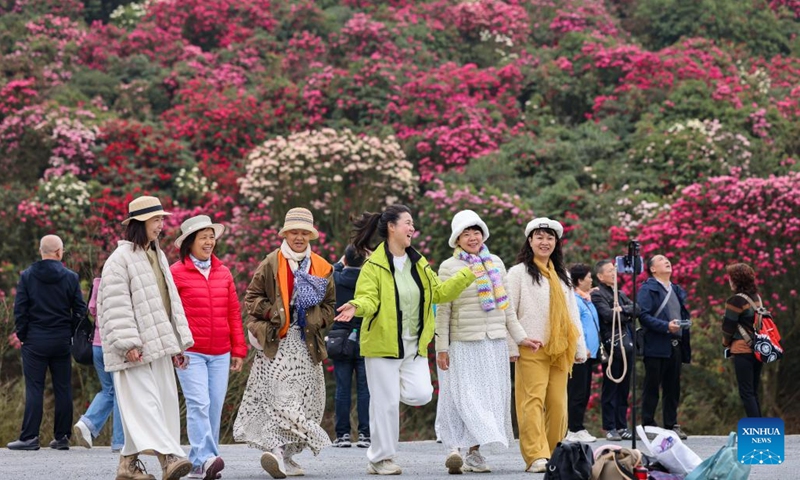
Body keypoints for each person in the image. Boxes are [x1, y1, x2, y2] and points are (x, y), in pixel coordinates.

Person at [334, 204, 478, 476]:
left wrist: (466, 275)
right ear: (391, 227)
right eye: (408, 223)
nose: (412, 228)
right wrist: (356, 305)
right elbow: (369, 298)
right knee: (385, 404)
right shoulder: (374, 265)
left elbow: (439, 293)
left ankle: (383, 396)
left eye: (412, 224)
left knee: (421, 393)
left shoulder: (418, 262)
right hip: (382, 344)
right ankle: (380, 459)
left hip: (414, 345)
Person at [434, 210, 540, 474]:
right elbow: (443, 309)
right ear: (456, 239)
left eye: (476, 232)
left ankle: (474, 454)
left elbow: (506, 309)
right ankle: (454, 449)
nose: (472, 237)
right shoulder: (449, 267)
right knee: (462, 397)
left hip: (493, 343)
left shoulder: (495, 263)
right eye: (466, 233)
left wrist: (520, 337)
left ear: (483, 234)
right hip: (463, 342)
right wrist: (442, 348)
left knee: (488, 398)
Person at [97, 195, 194, 480]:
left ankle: (127, 466)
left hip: (161, 346)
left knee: (162, 403)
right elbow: (115, 306)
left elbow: (170, 301)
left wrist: (177, 343)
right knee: (144, 404)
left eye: (162, 219)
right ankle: (169, 458)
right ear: (140, 223)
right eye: (156, 220)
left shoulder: (158, 254)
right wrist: (128, 344)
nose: (161, 225)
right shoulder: (119, 259)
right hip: (133, 349)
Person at [233, 207, 335, 479]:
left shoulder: (322, 267)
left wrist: (314, 317)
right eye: (294, 232)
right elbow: (252, 297)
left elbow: (330, 306)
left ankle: (288, 456)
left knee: (306, 401)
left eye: (304, 233)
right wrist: (274, 313)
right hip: (277, 340)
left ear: (311, 235)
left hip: (307, 341)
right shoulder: (271, 262)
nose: (299, 237)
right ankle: (276, 451)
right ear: (286, 234)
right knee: (279, 397)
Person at [505, 217, 587, 473]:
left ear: (556, 242)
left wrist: (579, 347)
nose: (545, 242)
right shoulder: (518, 273)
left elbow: (573, 314)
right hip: (531, 347)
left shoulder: (563, 276)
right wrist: (514, 344)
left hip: (560, 349)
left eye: (550, 237)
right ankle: (535, 456)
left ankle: (555, 455)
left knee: (558, 404)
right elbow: (507, 311)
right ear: (529, 241)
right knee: (532, 401)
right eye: (539, 237)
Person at [170, 215, 247, 480]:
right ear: (189, 242)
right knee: (198, 404)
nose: (209, 241)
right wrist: (174, 347)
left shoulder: (223, 272)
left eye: (212, 236)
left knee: (213, 406)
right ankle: (206, 460)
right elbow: (169, 314)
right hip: (189, 352)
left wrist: (238, 349)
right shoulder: (175, 272)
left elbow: (233, 313)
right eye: (203, 237)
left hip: (220, 353)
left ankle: (198, 464)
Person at [8, 235, 86, 451]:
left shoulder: (27, 276)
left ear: (41, 251)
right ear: (59, 252)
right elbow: (80, 309)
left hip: (35, 340)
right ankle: (62, 437)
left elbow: (20, 310)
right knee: (63, 388)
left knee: (35, 388)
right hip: (61, 340)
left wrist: (23, 336)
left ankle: (30, 438)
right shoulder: (71, 277)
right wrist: (70, 332)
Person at [637, 254, 692, 440]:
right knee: (652, 386)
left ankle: (671, 424)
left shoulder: (675, 289)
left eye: (668, 259)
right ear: (652, 269)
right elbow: (643, 316)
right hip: (656, 345)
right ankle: (648, 424)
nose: (667, 261)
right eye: (661, 260)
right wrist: (665, 326)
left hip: (675, 345)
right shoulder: (648, 289)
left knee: (673, 387)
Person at [73, 273, 125, 452]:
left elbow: (93, 310)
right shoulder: (122, 283)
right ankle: (120, 441)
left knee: (109, 390)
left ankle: (87, 424)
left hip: (96, 346)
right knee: (120, 392)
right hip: (115, 347)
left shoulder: (97, 283)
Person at [591, 259, 636, 442]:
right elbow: (607, 315)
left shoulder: (620, 293)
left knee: (624, 387)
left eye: (614, 270)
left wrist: (622, 309)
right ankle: (610, 427)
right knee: (611, 387)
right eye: (610, 270)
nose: (613, 273)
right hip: (611, 345)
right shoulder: (597, 294)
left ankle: (622, 425)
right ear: (600, 276)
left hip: (627, 344)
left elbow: (637, 309)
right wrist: (623, 313)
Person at [330, 245, 370, 449]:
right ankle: (365, 435)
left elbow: (331, 269)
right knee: (365, 389)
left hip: (340, 338)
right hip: (364, 338)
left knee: (342, 389)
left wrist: (341, 262)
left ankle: (343, 435)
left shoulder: (337, 277)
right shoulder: (369, 279)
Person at [564, 263, 600, 444]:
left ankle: (578, 426)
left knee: (584, 391)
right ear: (579, 280)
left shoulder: (585, 299)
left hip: (590, 354)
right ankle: (574, 428)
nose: (591, 279)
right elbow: (574, 326)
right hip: (580, 353)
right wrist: (581, 346)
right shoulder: (575, 301)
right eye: (588, 277)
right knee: (577, 392)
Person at [722, 263, 763, 418]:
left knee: (746, 393)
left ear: (736, 280)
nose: (729, 281)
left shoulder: (735, 301)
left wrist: (726, 344)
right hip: (758, 349)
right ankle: (761, 430)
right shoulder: (756, 298)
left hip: (742, 349)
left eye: (730, 278)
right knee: (753, 392)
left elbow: (728, 327)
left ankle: (755, 429)